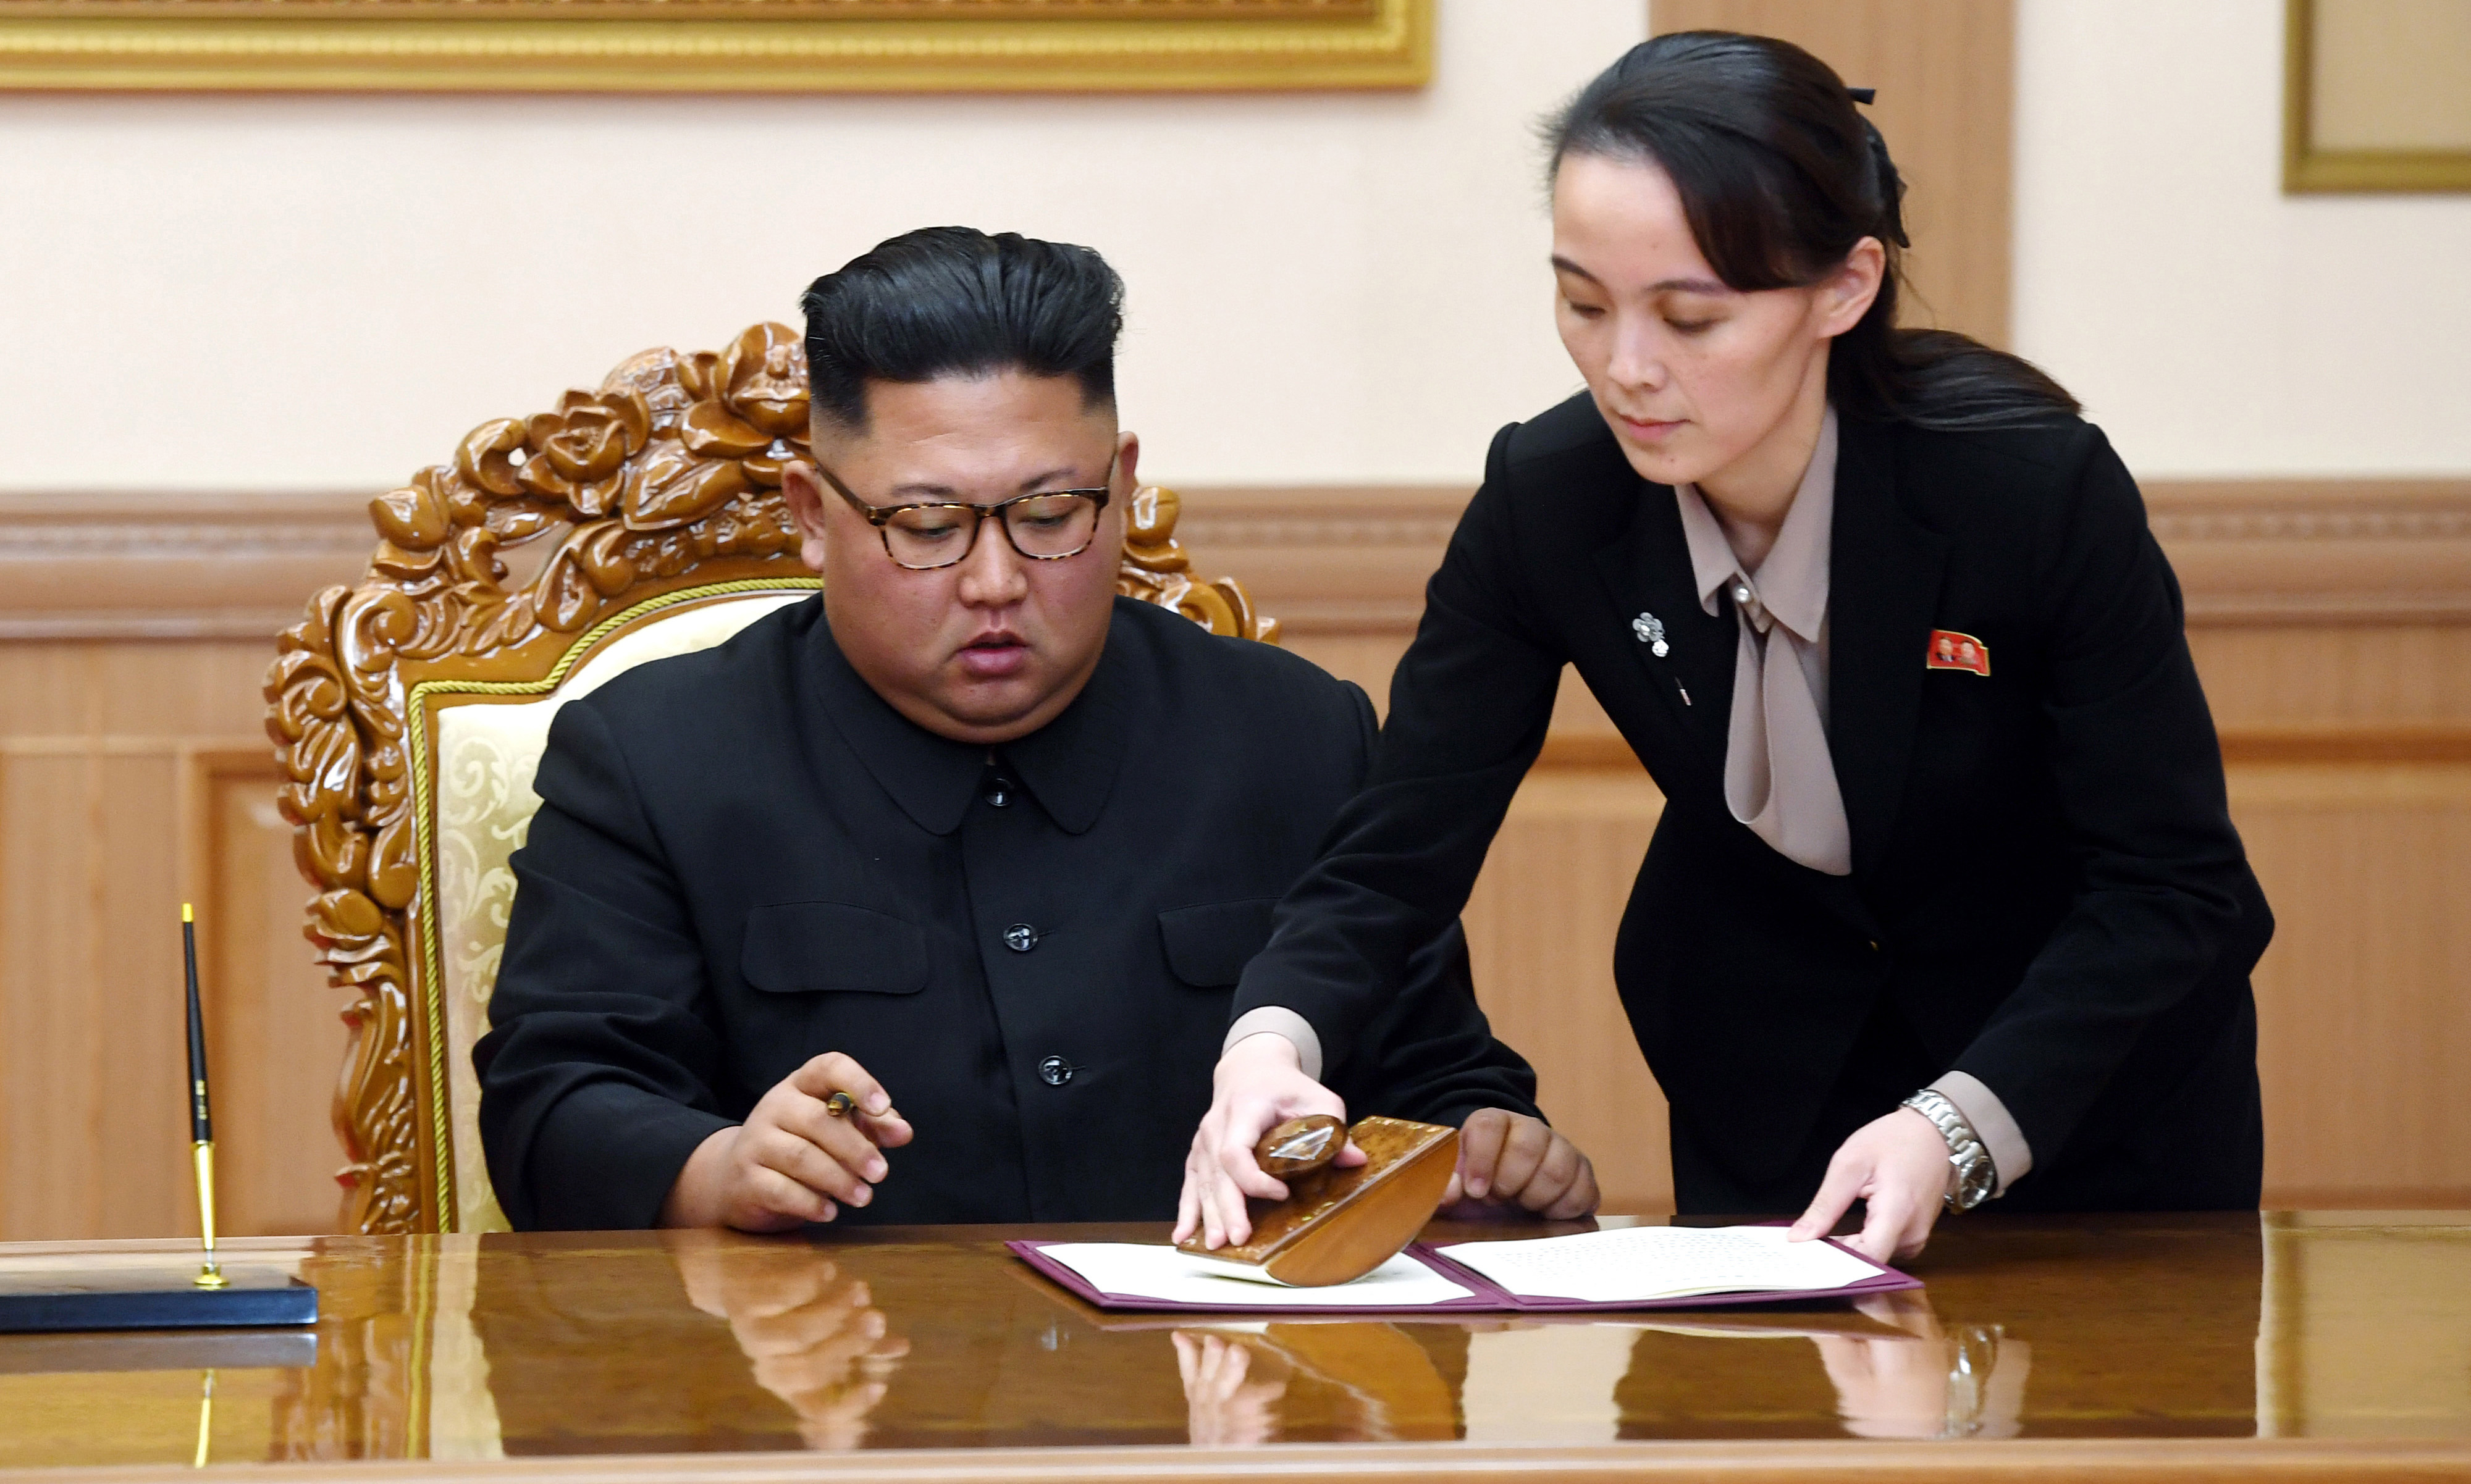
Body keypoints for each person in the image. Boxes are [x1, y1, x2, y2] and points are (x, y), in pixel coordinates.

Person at [1177, 32, 2271, 1263]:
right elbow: (1393, 853)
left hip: (2084, 1104)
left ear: (1846, 289)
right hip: (1771, 1087)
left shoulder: (2030, 494)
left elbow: (2172, 885)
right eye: (1583, 304)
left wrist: (1957, 1125)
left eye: (1690, 316)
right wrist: (1268, 1047)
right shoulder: (1551, 499)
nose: (1625, 368)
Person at [474, 225, 1598, 1231]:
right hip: (826, 1414)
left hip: (1217, 1411)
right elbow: (551, 1109)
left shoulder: (1297, 737)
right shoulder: (652, 760)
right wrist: (719, 1166)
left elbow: (1438, 1079)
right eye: (927, 526)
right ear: (813, 517)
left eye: (1052, 515)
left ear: (1123, 487)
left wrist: (1493, 1142)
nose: (997, 580)